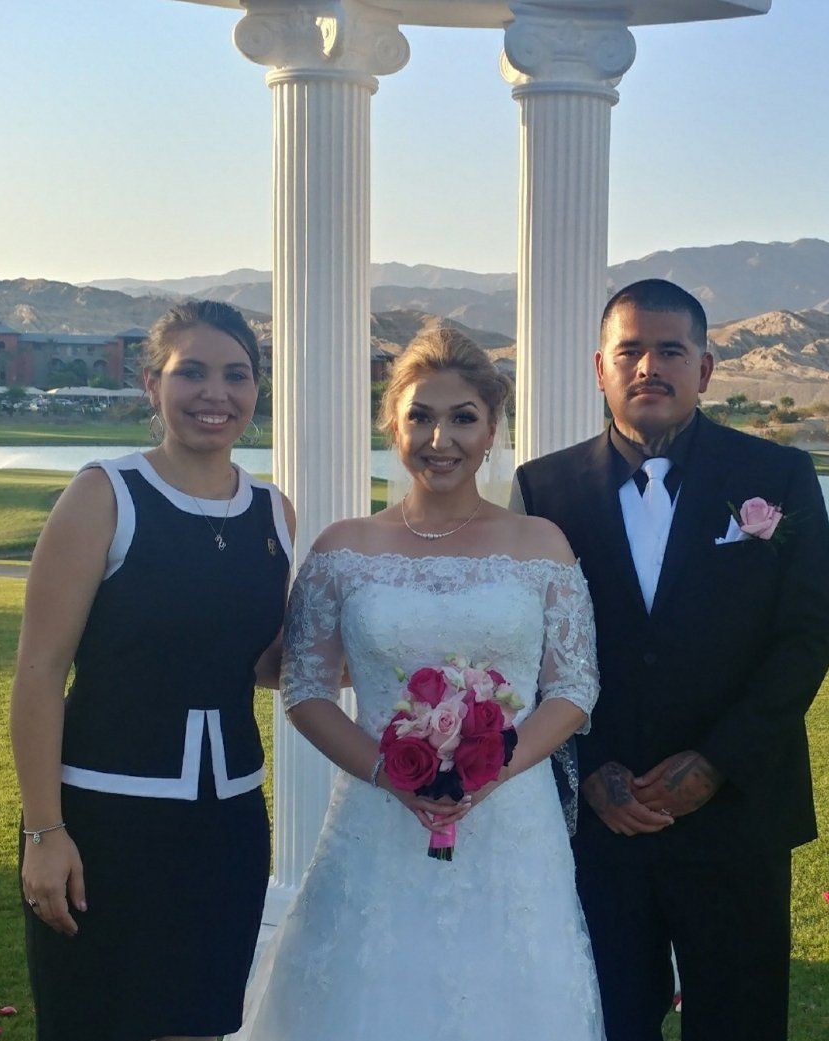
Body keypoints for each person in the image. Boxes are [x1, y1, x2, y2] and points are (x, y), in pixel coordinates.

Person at [234, 328, 604, 1041]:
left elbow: (574, 686)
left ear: (493, 428)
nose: (442, 437)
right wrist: (387, 772)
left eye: (464, 416)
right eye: (420, 416)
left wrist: (493, 767)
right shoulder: (343, 549)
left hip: (512, 824)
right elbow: (306, 687)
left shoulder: (541, 544)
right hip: (378, 819)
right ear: (391, 425)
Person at [512, 278, 829, 1041]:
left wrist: (717, 760)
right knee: (609, 1018)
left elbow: (805, 635)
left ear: (706, 369)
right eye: (630, 350)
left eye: (670, 350)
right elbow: (528, 647)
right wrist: (590, 766)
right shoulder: (544, 487)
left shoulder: (780, 478)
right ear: (600, 368)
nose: (648, 366)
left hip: (738, 815)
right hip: (604, 820)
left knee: (741, 1020)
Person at [11, 300, 294, 1041]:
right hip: (104, 823)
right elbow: (39, 674)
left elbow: (261, 663)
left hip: (227, 826)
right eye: (191, 372)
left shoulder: (274, 512)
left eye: (236, 375)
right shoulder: (105, 494)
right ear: (152, 383)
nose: (215, 394)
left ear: (256, 389)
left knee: (198, 1025)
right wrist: (45, 831)